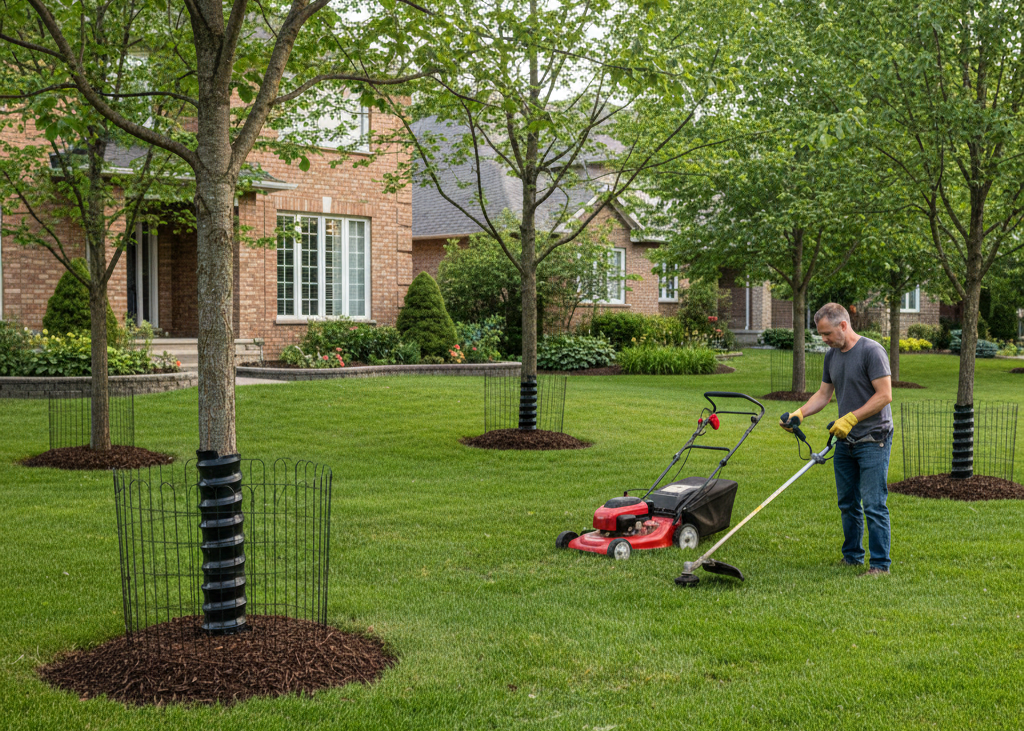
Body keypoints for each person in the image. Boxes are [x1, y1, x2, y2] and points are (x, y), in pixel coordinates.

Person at [780, 303, 894, 575]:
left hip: (873, 438)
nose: (824, 339)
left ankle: (880, 565)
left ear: (843, 325)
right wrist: (799, 414)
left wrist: (851, 418)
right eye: (820, 334)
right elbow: (823, 395)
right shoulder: (832, 356)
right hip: (844, 440)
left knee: (874, 504)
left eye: (827, 333)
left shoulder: (871, 351)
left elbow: (884, 395)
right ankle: (852, 556)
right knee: (847, 502)